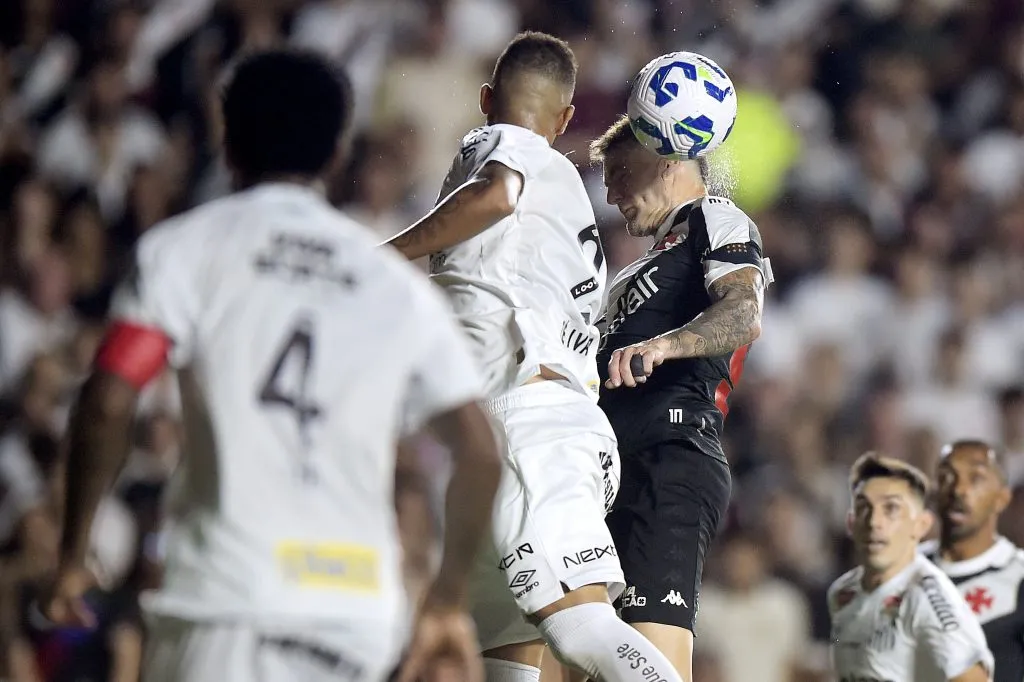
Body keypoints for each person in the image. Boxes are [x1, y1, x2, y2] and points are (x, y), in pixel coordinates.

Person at [40, 49, 503, 682]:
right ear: (336, 155)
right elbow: (478, 451)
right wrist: (445, 601)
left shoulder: (186, 249)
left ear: (228, 143)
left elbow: (112, 396)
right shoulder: (392, 287)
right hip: (357, 618)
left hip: (230, 605)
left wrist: (73, 554)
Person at [387, 31, 683, 682]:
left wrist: (381, 256)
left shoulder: (500, 143)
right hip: (525, 433)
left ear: (487, 99)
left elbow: (496, 192)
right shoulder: (568, 204)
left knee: (581, 627)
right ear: (569, 119)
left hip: (526, 422)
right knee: (507, 665)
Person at [586, 114, 771, 681]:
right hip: (608, 478)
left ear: (667, 160)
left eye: (621, 173)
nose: (611, 192)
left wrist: (670, 344)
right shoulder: (630, 275)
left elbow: (744, 312)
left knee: (651, 668)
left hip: (669, 461)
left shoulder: (714, 217)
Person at [828, 452, 993, 682]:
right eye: (864, 508)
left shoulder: (929, 600)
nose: (874, 522)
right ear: (850, 523)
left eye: (891, 509)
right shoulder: (842, 594)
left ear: (921, 525)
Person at [924, 440, 1024, 682]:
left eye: (975, 478)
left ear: (1001, 498)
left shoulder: (1018, 577)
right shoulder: (903, 568)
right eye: (947, 476)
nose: (959, 489)